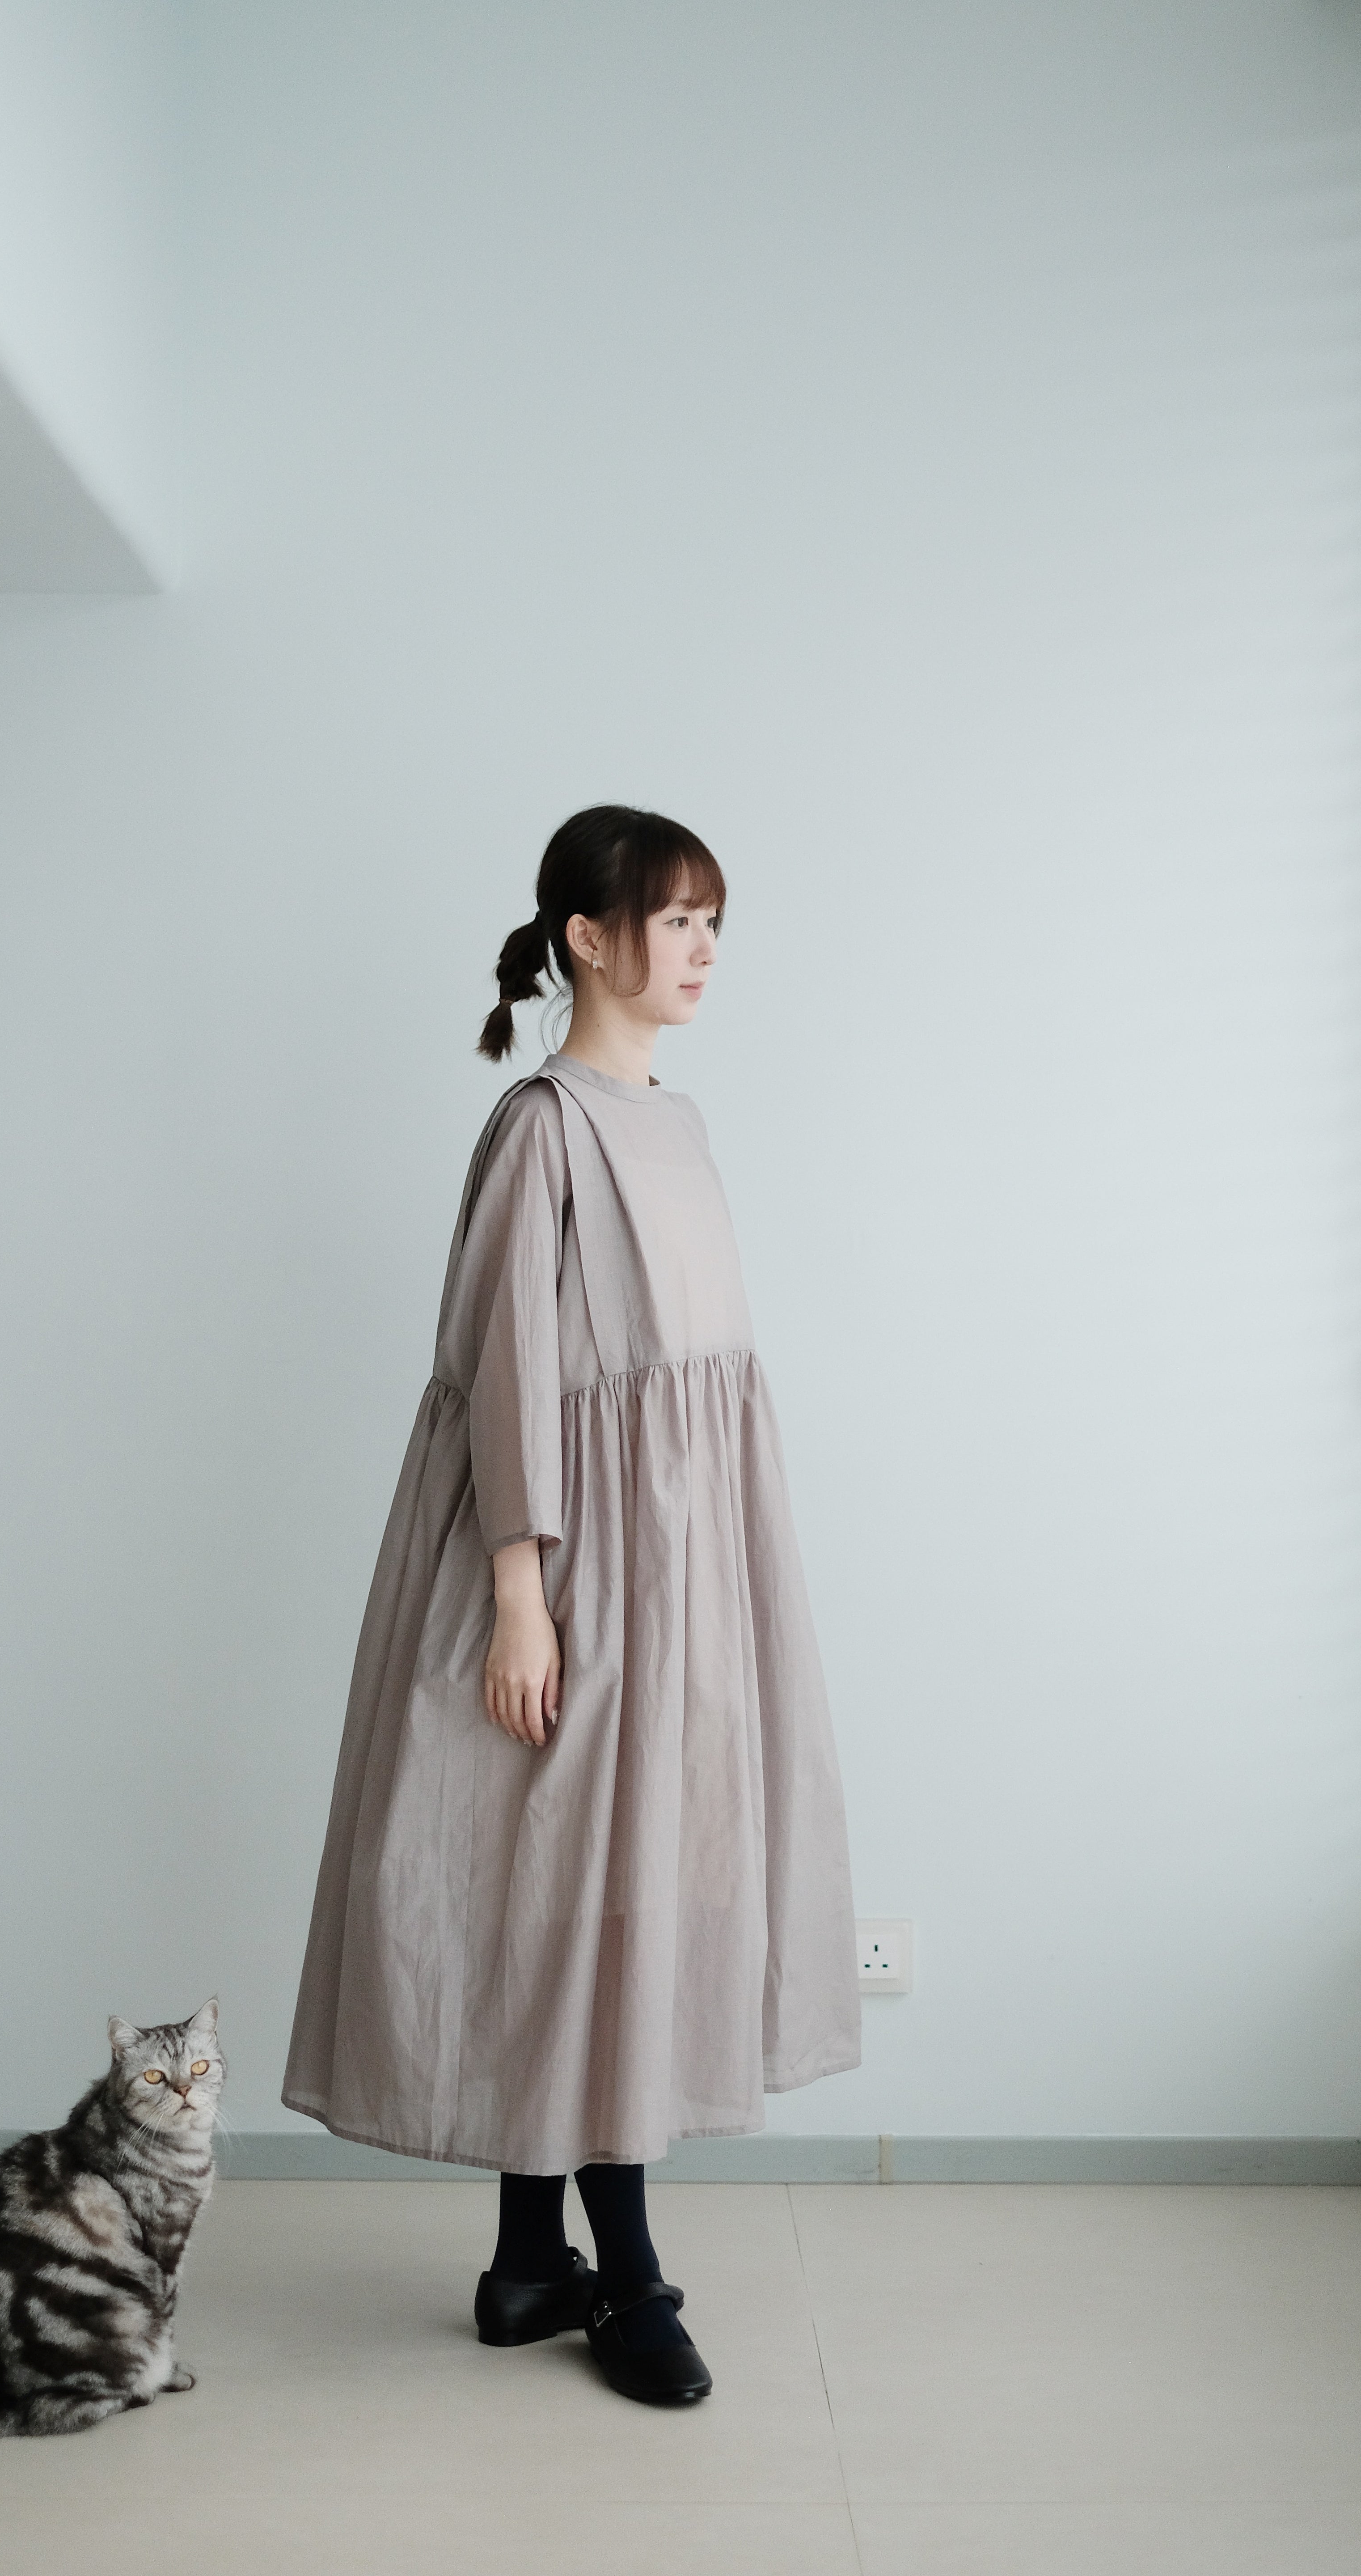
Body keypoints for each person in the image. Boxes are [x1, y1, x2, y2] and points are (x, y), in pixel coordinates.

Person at [282, 805, 860, 2405]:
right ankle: (631, 2272)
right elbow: (508, 1371)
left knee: (620, 1884)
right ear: (587, 941)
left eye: (715, 922)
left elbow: (697, 1388)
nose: (705, 950)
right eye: (676, 921)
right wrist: (521, 1596)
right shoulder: (544, 1128)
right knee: (582, 1887)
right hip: (576, 1559)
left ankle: (530, 2262)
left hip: (684, 1563)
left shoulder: (675, 1120)